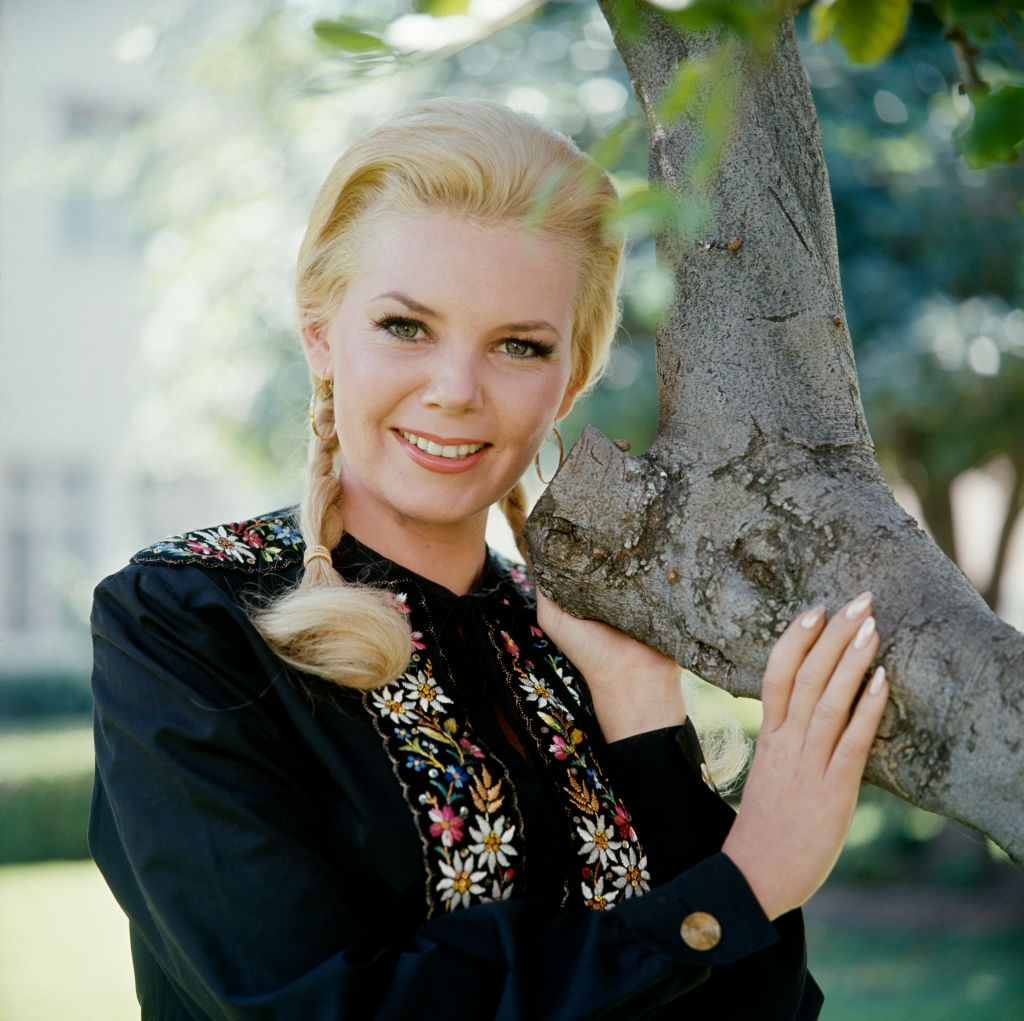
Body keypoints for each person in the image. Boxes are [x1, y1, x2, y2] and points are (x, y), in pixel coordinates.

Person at [89, 97, 890, 1020]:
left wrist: (640, 711)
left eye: (519, 345)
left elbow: (754, 1011)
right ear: (320, 331)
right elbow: (313, 1007)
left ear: (573, 374)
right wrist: (739, 883)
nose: (456, 392)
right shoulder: (185, 618)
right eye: (406, 326)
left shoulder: (586, 645)